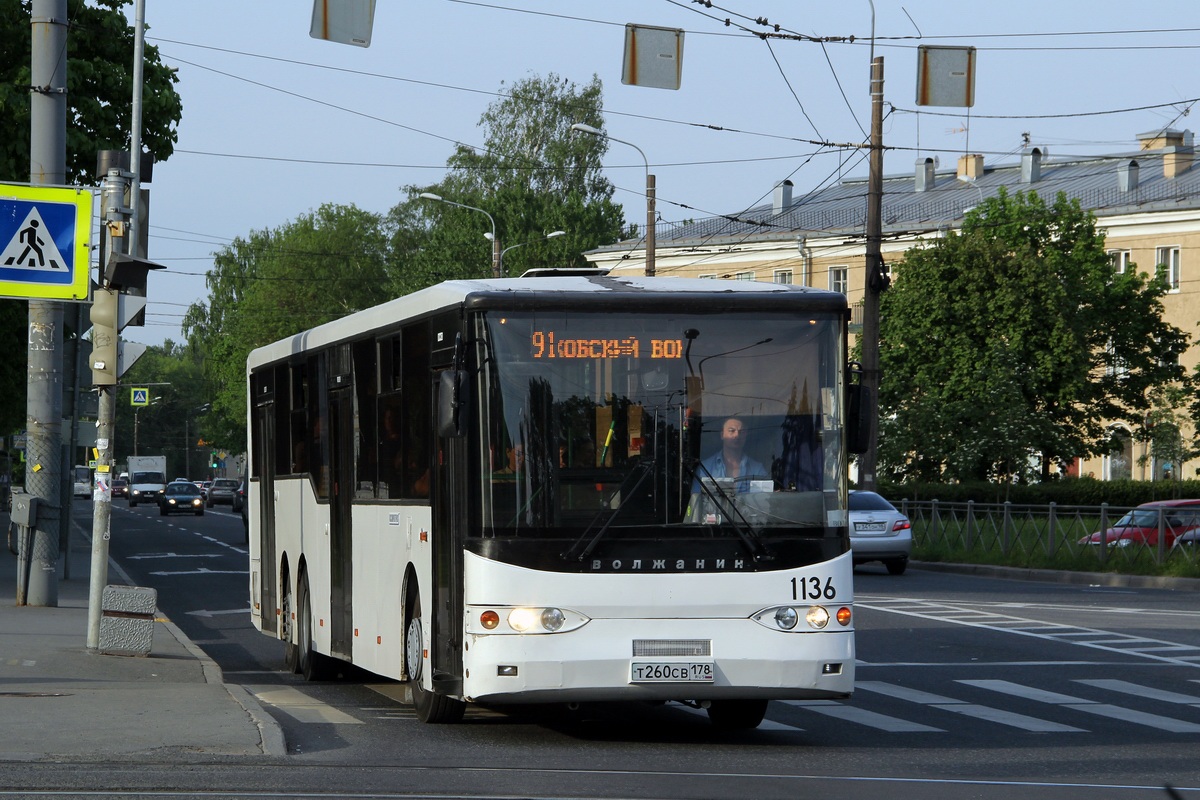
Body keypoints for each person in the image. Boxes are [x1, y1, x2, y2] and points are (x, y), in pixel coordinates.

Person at [697, 416, 767, 493]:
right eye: (731, 430)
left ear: (746, 436)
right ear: (722, 435)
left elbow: (765, 500)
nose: (737, 435)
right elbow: (695, 501)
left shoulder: (757, 470)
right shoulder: (704, 468)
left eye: (742, 432)